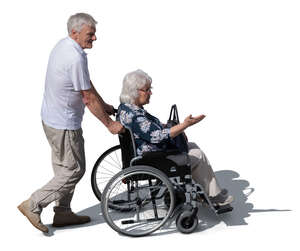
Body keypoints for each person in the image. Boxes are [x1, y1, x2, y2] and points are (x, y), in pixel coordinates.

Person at [18, 13, 123, 233]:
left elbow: (84, 81)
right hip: (64, 124)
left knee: (63, 169)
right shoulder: (75, 57)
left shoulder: (64, 46)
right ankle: (33, 204)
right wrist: (109, 124)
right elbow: (87, 97)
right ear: (74, 32)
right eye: (90, 34)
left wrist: (104, 105)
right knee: (74, 170)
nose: (94, 38)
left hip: (52, 119)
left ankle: (63, 213)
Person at [118, 69, 233, 206]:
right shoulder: (135, 116)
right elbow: (158, 136)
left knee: (192, 146)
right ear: (135, 91)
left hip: (144, 152)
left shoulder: (126, 108)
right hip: (152, 158)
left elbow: (149, 128)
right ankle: (213, 197)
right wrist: (185, 125)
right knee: (198, 155)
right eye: (147, 89)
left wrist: (169, 126)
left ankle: (205, 192)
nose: (150, 92)